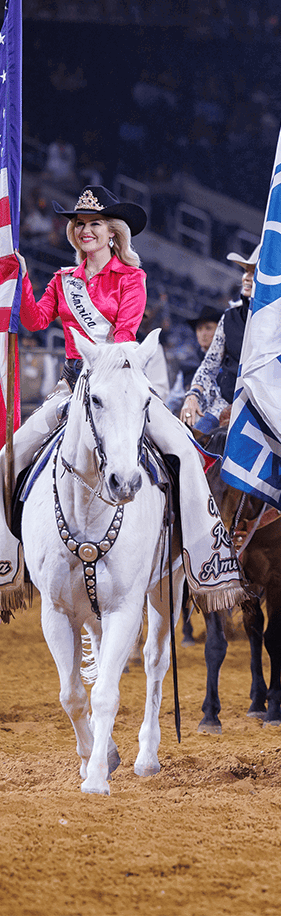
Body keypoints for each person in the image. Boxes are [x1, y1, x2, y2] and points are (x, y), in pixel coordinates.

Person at [0, 185, 239, 609]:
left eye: (94, 224)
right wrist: (19, 278)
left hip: (120, 386)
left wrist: (107, 374)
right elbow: (36, 320)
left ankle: (205, 557)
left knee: (183, 450)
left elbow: (125, 336)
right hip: (72, 388)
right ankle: (7, 558)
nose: (85, 230)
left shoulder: (132, 278)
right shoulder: (63, 280)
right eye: (79, 224)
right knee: (10, 455)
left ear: (113, 233)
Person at [181, 247, 258, 432]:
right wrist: (192, 395)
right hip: (224, 404)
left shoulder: (279, 324)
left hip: (262, 410)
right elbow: (209, 365)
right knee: (194, 443)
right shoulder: (230, 318)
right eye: (246, 271)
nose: (246, 277)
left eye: (254, 273)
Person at [165, 304, 223, 415]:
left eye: (208, 328)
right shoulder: (189, 364)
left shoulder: (229, 362)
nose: (203, 334)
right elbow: (174, 399)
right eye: (199, 329)